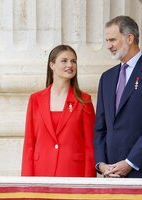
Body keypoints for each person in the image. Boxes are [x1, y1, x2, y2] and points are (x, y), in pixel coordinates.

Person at [94, 16, 142, 178]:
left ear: (130, 38)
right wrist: (101, 164)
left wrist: (130, 162)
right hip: (112, 175)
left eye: (112, 40)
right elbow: (100, 127)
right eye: (107, 40)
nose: (108, 46)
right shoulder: (106, 78)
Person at [21, 45, 96, 177]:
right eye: (64, 60)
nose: (70, 65)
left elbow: (90, 146)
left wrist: (89, 183)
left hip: (73, 175)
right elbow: (29, 144)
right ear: (52, 65)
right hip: (41, 173)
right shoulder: (35, 99)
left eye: (73, 61)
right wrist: (27, 183)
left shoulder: (84, 100)